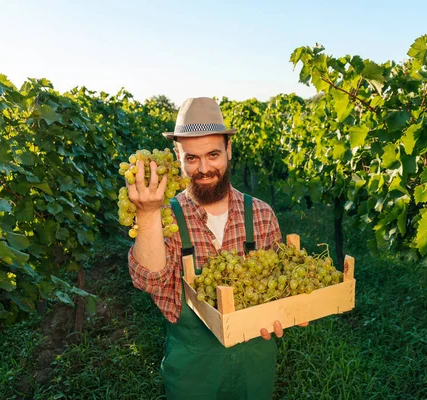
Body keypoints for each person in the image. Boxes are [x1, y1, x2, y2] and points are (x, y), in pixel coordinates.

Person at [127, 97, 307, 400]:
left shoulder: (262, 214)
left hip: (256, 364)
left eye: (213, 154)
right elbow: (149, 280)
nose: (205, 168)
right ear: (178, 156)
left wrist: (286, 312)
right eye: (192, 158)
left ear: (229, 150)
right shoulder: (165, 218)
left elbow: (281, 287)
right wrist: (147, 214)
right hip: (193, 371)